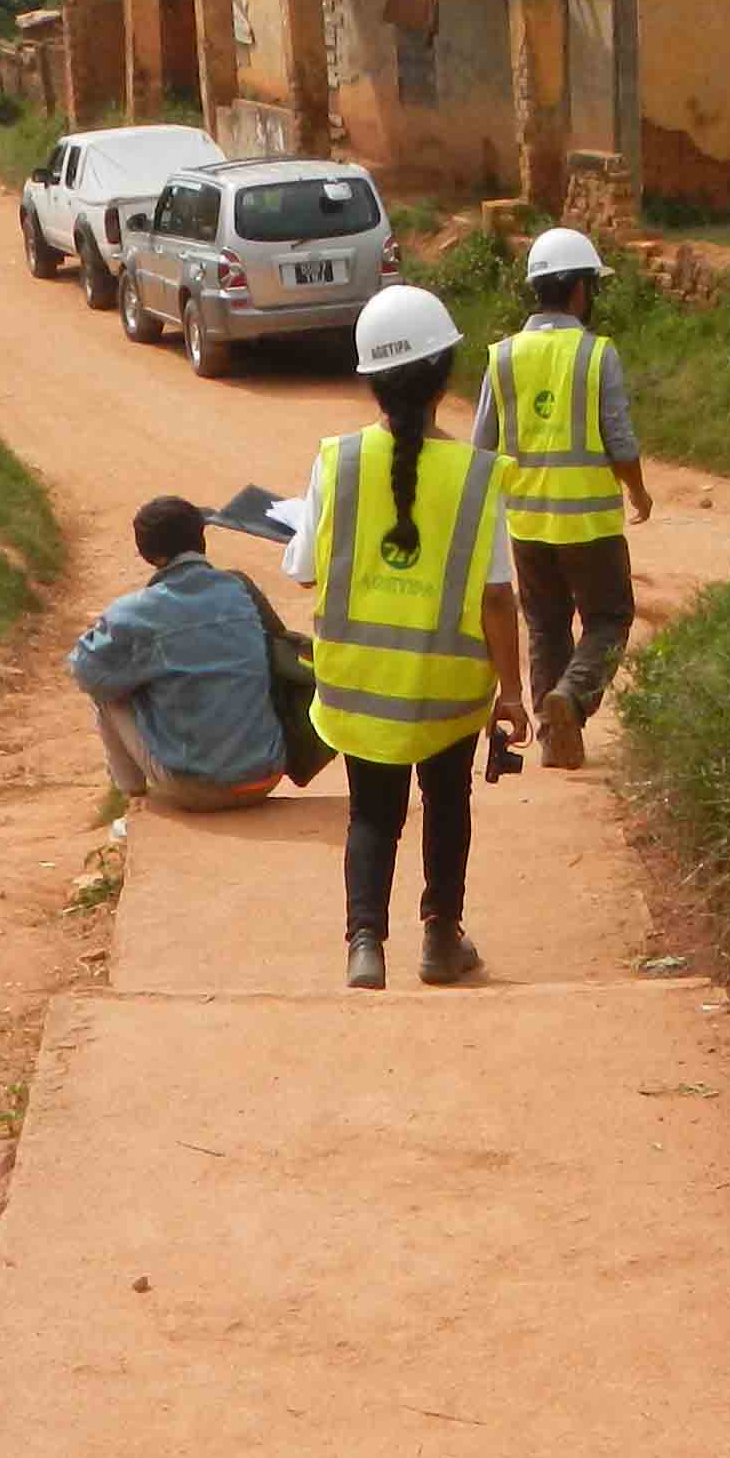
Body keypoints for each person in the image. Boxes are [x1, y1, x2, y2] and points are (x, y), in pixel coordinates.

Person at [290, 283, 525, 991]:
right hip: (447, 690)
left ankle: (366, 944)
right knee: (447, 805)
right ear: (446, 376)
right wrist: (512, 693)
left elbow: (302, 571)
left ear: (371, 386)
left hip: (359, 687)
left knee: (372, 815)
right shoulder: (477, 476)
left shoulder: (337, 462)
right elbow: (497, 598)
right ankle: (440, 938)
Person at [468, 223, 652, 767]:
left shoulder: (501, 357)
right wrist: (638, 492)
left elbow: (483, 448)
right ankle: (570, 698)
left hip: (526, 524)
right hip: (590, 525)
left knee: (546, 626)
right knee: (610, 620)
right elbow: (619, 439)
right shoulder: (597, 355)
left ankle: (555, 743)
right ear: (578, 290)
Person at [66, 496, 293, 812]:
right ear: (200, 539)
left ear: (149, 555)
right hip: (266, 775)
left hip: (196, 789)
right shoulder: (238, 589)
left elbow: (85, 672)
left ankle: (131, 802)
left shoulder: (136, 612)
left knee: (110, 688)